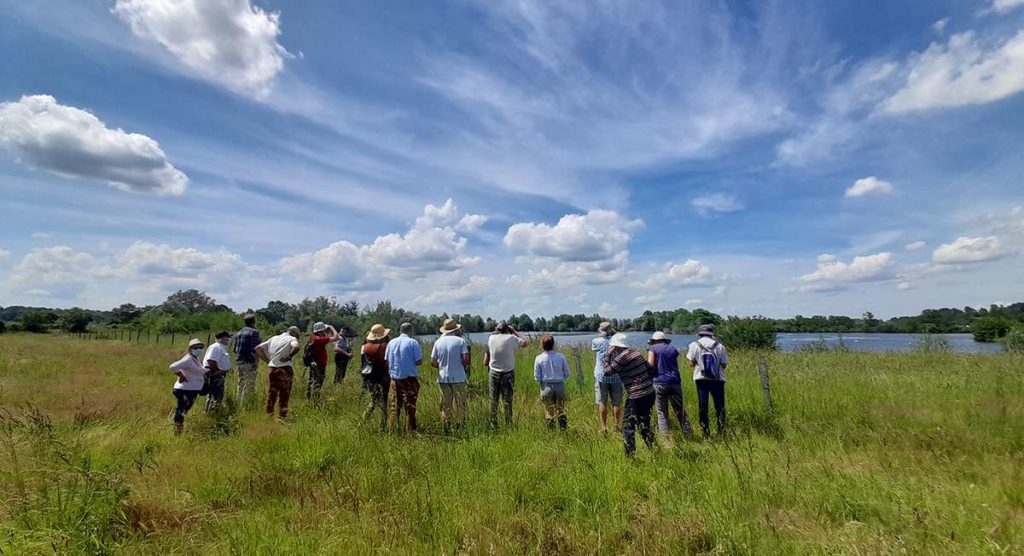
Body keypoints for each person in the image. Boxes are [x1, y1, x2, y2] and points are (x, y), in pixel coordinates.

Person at [604, 333, 657, 457]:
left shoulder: (621, 358)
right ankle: (652, 447)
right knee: (644, 421)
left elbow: (607, 372)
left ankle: (630, 455)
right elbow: (649, 368)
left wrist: (607, 355)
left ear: (616, 347)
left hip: (636, 395)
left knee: (627, 425)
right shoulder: (636, 353)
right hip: (649, 392)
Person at [648, 331, 694, 439]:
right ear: (664, 339)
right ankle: (689, 434)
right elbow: (674, 365)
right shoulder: (672, 348)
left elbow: (650, 365)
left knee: (662, 413)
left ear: (653, 341)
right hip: (674, 381)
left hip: (659, 382)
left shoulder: (653, 349)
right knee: (680, 410)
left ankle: (666, 439)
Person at [686, 324, 729, 439]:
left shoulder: (694, 345)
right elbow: (724, 365)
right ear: (712, 334)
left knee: (703, 407)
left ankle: (706, 433)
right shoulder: (720, 346)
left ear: (700, 333)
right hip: (717, 380)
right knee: (720, 407)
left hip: (701, 379)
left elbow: (691, 364)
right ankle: (721, 432)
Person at [484, 321, 527, 428]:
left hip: (493, 372)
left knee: (493, 400)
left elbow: (485, 361)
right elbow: (525, 343)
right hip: (507, 372)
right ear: (507, 330)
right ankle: (508, 424)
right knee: (507, 400)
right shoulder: (511, 338)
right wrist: (514, 331)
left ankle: (493, 424)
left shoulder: (491, 338)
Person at [430, 318, 471, 433]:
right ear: (456, 329)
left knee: (445, 405)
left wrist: (442, 367)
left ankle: (446, 428)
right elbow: (465, 359)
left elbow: (433, 362)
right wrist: (463, 365)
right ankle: (460, 426)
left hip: (443, 378)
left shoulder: (438, 342)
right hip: (459, 377)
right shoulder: (460, 341)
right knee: (460, 404)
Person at [255, 326, 301, 419]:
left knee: (272, 392)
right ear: (295, 333)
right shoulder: (292, 338)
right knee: (284, 393)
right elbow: (296, 347)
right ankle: (283, 415)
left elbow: (257, 348)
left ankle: (269, 414)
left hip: (272, 369)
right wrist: (289, 356)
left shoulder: (274, 338)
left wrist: (267, 361)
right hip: (285, 369)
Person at [385, 322, 423, 434]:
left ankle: (391, 432)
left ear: (400, 330)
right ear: (410, 331)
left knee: (394, 407)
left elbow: (387, 360)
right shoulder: (413, 342)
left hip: (394, 380)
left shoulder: (391, 343)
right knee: (410, 407)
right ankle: (411, 433)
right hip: (409, 379)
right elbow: (419, 361)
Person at [169, 339, 207, 435]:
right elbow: (173, 366)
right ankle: (177, 429)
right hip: (185, 389)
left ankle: (177, 427)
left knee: (182, 410)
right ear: (190, 349)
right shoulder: (188, 359)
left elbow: (200, 371)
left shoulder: (194, 359)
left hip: (191, 389)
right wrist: (181, 376)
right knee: (181, 411)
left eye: (200, 347)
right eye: (196, 348)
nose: (199, 349)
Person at [592, 321, 623, 435]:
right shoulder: (617, 341)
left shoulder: (596, 341)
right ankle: (616, 426)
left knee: (602, 402)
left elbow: (594, 349)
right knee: (616, 403)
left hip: (601, 375)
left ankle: (604, 427)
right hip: (616, 375)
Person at [534, 335, 571, 430]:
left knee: (548, 412)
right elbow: (567, 373)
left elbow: (537, 377)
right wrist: (560, 378)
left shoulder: (539, 358)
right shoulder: (561, 356)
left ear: (542, 345)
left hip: (546, 386)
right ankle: (563, 431)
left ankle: (551, 433)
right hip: (559, 385)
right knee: (561, 410)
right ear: (553, 344)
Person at [361, 324, 391, 431]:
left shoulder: (365, 347)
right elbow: (388, 362)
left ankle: (363, 421)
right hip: (383, 376)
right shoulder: (384, 347)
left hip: (370, 377)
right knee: (385, 402)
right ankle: (383, 425)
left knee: (374, 400)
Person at [233, 314, 262, 406]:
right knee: (250, 385)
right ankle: (247, 405)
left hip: (239, 361)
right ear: (254, 321)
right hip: (249, 361)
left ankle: (239, 402)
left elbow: (235, 349)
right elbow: (255, 349)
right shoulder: (254, 332)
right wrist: (256, 362)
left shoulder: (239, 332)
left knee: (240, 383)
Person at [306, 322, 338, 401]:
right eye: (324, 331)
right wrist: (331, 327)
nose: (325, 332)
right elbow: (336, 337)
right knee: (318, 383)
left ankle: (309, 399)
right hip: (319, 365)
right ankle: (315, 401)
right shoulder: (319, 339)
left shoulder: (312, 338)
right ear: (320, 331)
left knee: (311, 381)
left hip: (313, 363)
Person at [203, 330, 232, 414]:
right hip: (215, 374)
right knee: (215, 396)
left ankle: (212, 413)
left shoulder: (220, 347)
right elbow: (211, 361)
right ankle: (212, 415)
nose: (229, 339)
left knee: (216, 395)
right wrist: (218, 372)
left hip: (217, 374)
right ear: (222, 338)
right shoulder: (216, 347)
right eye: (227, 337)